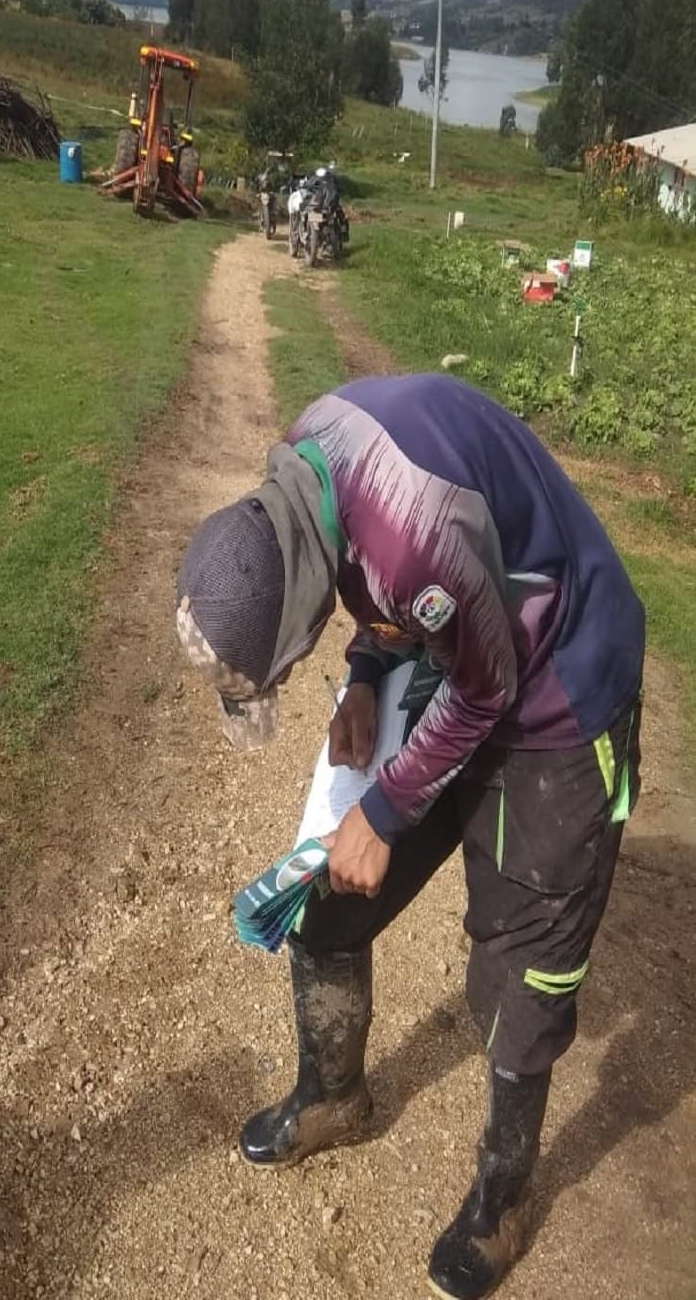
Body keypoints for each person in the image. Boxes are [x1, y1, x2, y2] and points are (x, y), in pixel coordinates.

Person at [175, 374, 644, 1300]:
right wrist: (359, 679)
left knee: (520, 968)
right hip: (467, 641)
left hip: (557, 687)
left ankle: (503, 1202)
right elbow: (378, 595)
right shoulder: (304, 469)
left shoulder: (413, 527)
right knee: (324, 896)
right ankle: (334, 1098)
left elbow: (486, 687)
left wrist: (384, 814)